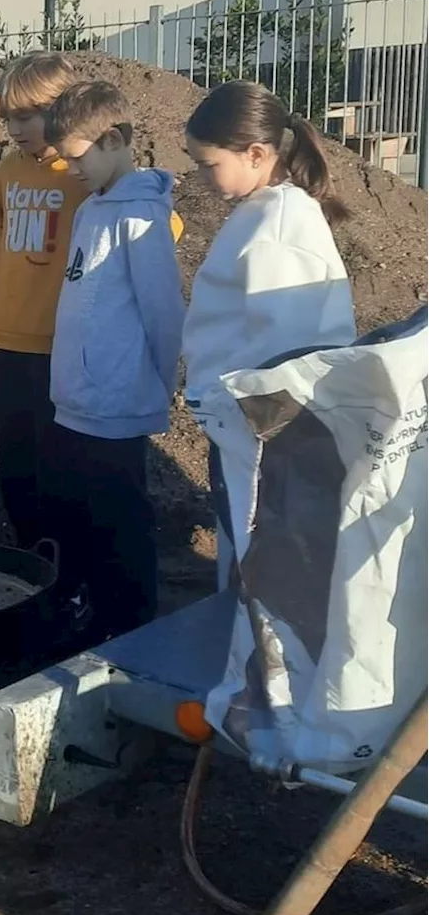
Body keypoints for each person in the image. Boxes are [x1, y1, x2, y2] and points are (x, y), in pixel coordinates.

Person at [183, 81, 355, 588]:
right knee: (242, 555)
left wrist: (245, 425)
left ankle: (257, 661)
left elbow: (287, 356)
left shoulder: (281, 230)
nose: (200, 177)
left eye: (208, 164)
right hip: (238, 427)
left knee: (259, 566)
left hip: (263, 439)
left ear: (256, 154)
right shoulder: (262, 212)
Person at [43, 81, 186, 642]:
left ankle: (131, 622)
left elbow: (162, 308)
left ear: (115, 140)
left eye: (76, 156)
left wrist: (164, 374)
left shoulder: (141, 218)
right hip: (79, 397)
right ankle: (96, 609)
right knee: (87, 511)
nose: (70, 167)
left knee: (122, 515)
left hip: (118, 399)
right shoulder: (92, 209)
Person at [0, 52, 89, 549]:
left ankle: (62, 558)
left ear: (62, 110)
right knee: (14, 458)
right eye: (9, 118)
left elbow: (155, 227)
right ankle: (28, 553)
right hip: (6, 333)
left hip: (58, 340)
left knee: (59, 459)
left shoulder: (82, 175)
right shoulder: (7, 168)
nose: (15, 128)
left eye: (27, 116)